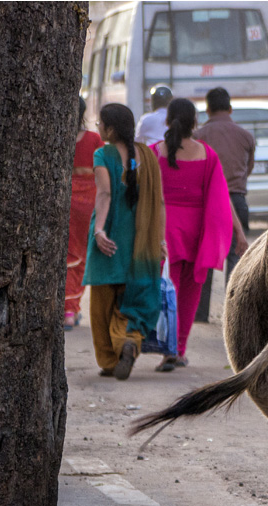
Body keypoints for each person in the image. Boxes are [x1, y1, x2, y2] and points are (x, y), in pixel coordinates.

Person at [152, 97, 244, 372]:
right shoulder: (207, 155)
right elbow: (221, 198)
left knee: (168, 289)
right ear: (195, 122)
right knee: (190, 294)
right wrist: (238, 232)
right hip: (196, 232)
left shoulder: (153, 152)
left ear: (167, 121)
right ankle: (179, 349)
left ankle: (167, 349)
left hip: (163, 230)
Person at [82, 103, 165, 380]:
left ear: (111, 128)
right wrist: (160, 239)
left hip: (111, 239)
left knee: (101, 305)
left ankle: (108, 360)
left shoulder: (103, 154)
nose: (97, 128)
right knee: (133, 301)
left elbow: (104, 194)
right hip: (141, 244)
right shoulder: (148, 157)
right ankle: (129, 340)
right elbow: (159, 202)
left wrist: (100, 231)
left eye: (101, 124)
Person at [193, 86, 254, 280]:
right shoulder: (246, 136)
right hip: (237, 200)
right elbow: (248, 169)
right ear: (230, 109)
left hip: (206, 204)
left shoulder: (198, 137)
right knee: (237, 263)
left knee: (204, 265)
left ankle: (200, 312)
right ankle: (232, 309)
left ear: (208, 110)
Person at [65, 96, 104, 330]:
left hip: (66, 199)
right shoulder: (94, 138)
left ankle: (67, 308)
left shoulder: (61, 137)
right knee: (83, 254)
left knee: (67, 253)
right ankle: (71, 309)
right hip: (89, 201)